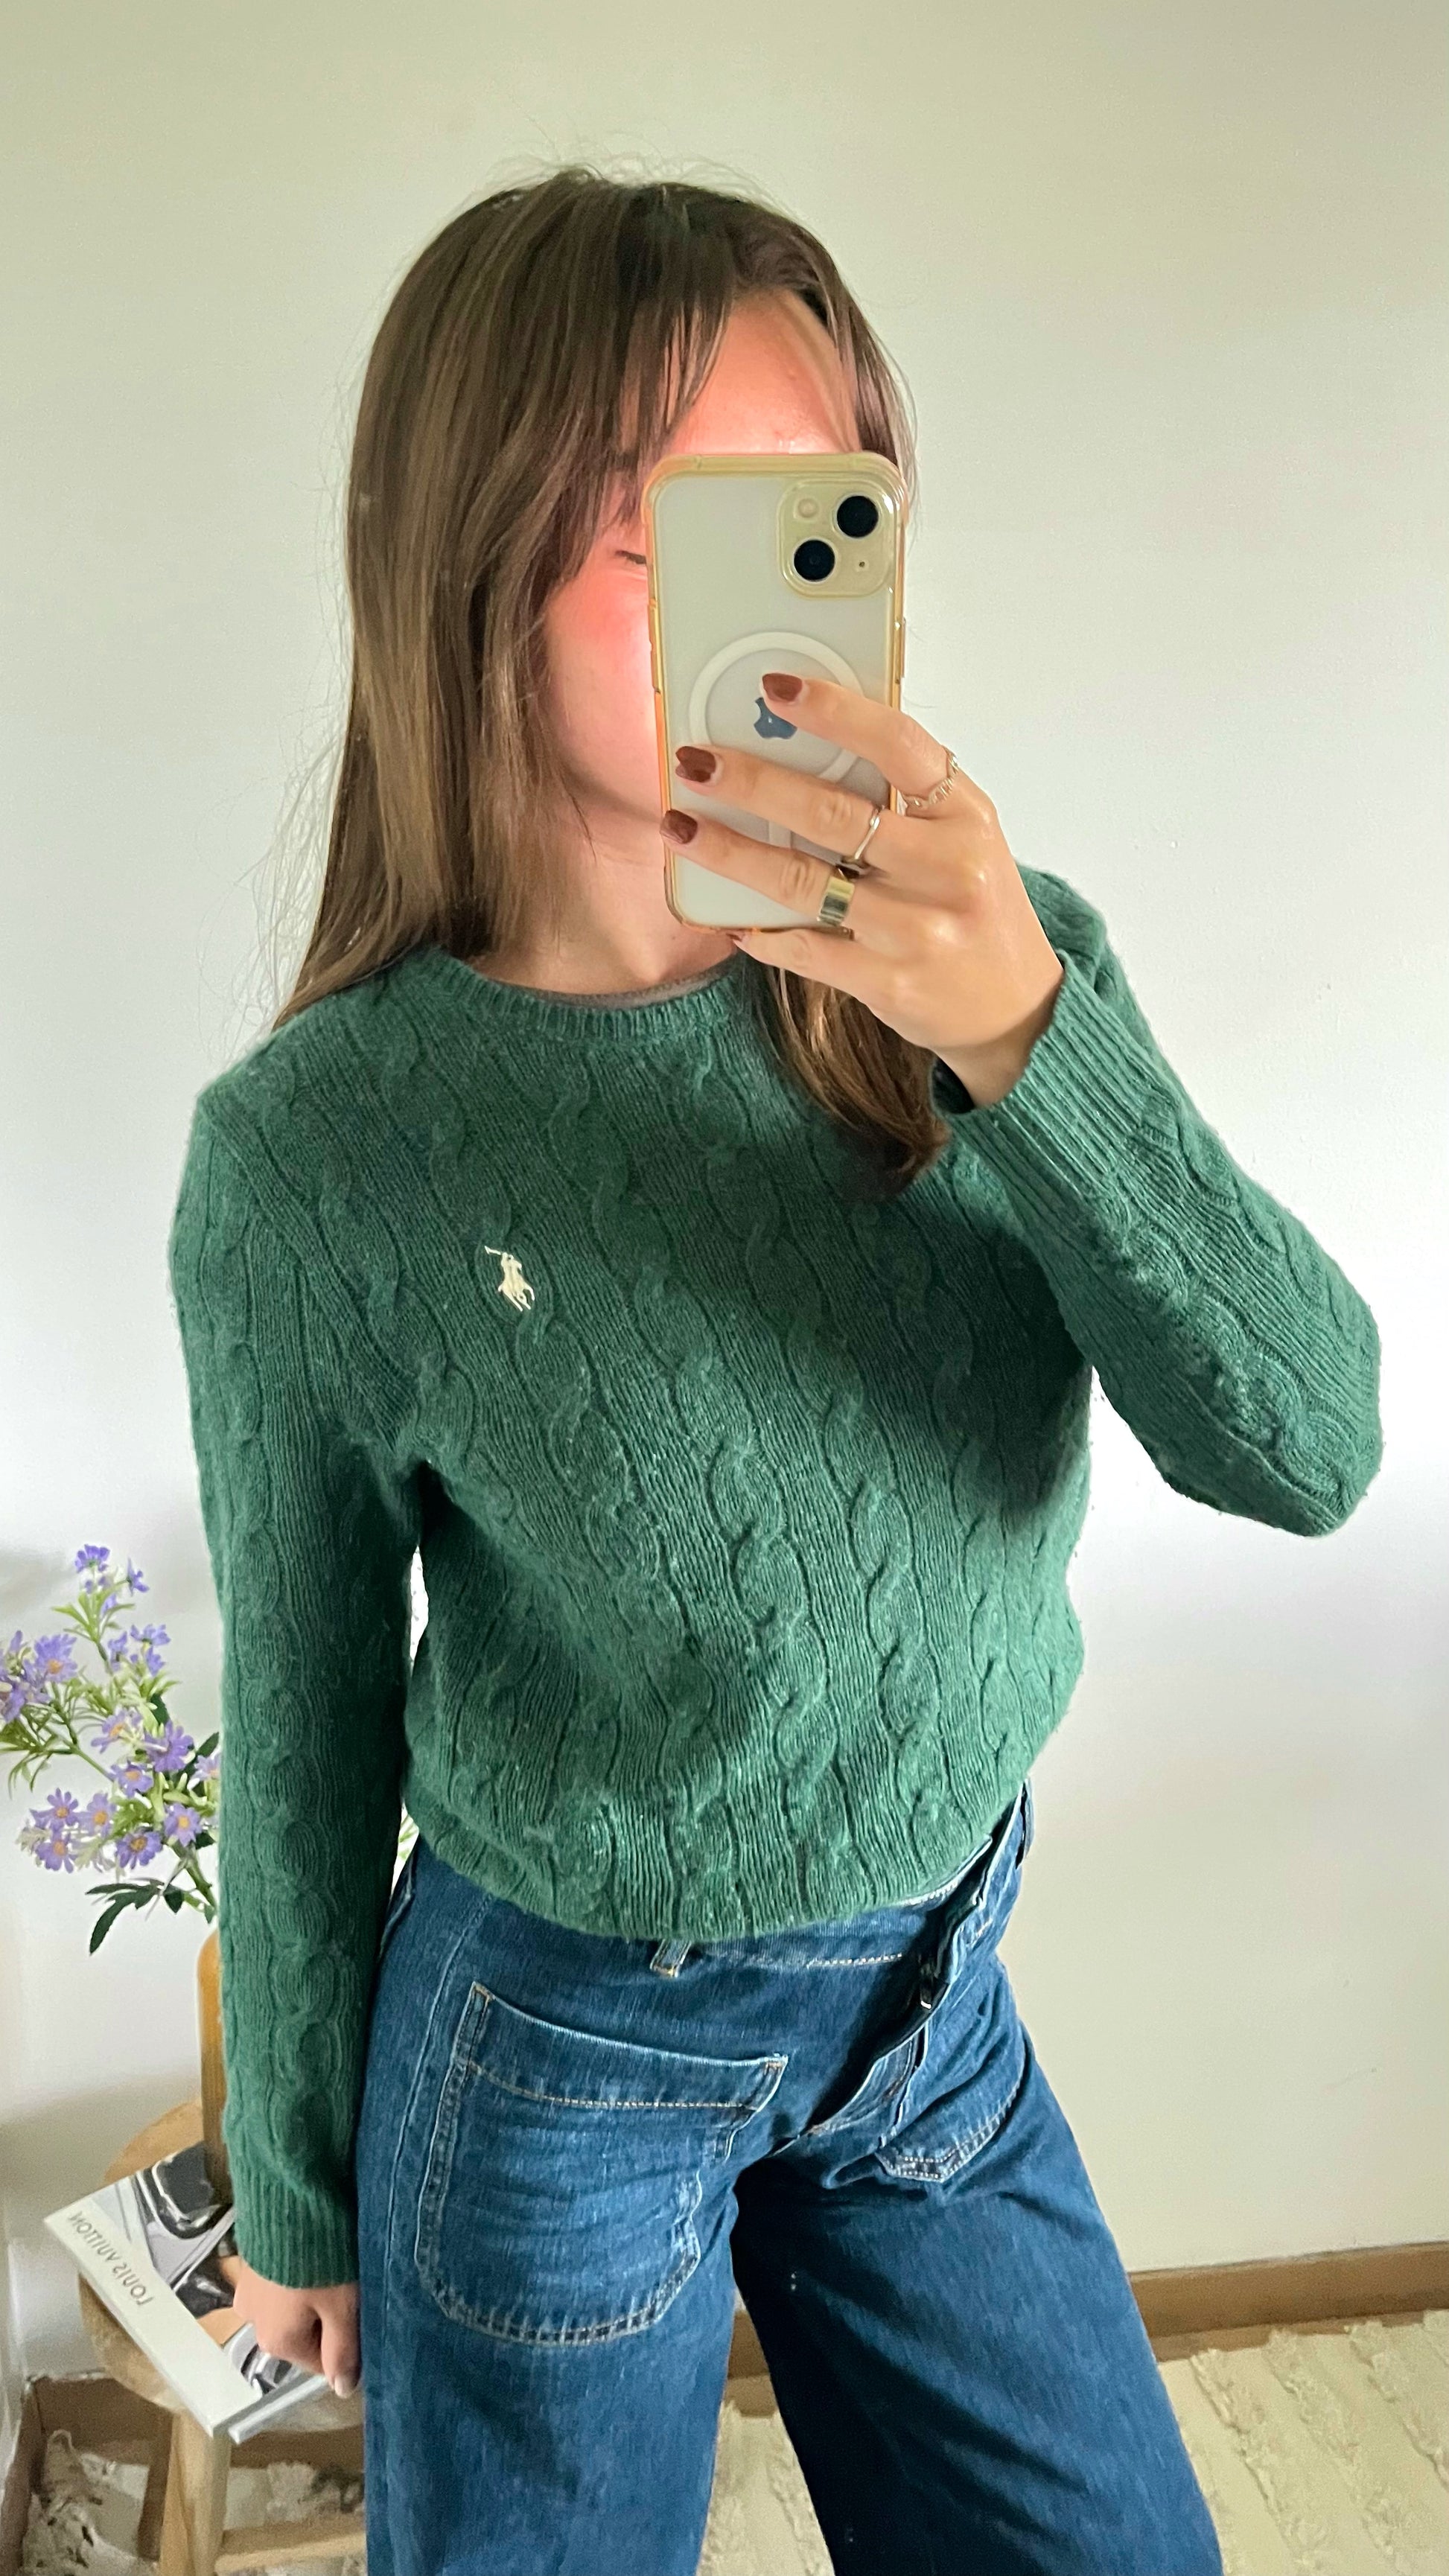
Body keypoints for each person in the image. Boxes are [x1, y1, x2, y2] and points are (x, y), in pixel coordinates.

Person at [166, 166, 1382, 2576]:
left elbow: (1305, 1445)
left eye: (815, 516)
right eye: (664, 530)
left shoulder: (1005, 978)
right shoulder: (319, 1150)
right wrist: (292, 2185)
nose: (770, 610)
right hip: (552, 2055)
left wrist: (1023, 1035)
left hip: (937, 2003)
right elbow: (305, 1707)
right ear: (468, 560)